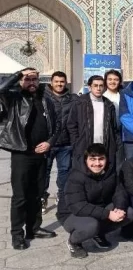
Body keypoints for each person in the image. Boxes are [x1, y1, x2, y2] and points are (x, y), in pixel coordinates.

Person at [0, 68, 58, 249]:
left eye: (34, 79)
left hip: (40, 154)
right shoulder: (14, 98)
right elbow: (1, 89)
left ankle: (34, 228)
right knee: (20, 196)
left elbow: (57, 126)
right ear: (20, 81)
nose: (31, 82)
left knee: (37, 194)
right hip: (21, 154)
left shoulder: (46, 100)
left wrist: (49, 142)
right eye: (27, 79)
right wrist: (20, 73)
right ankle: (17, 234)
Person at [57, 143, 133, 258]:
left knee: (128, 213)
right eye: (92, 159)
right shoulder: (76, 176)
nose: (97, 163)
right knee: (91, 226)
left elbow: (119, 192)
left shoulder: (110, 172)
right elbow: (78, 206)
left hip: (97, 208)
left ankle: (98, 233)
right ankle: (74, 241)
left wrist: (119, 207)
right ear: (86, 160)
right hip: (71, 213)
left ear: (106, 159)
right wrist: (108, 214)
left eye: (101, 159)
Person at [67, 76, 121, 172]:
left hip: (104, 146)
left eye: (101, 86)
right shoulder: (79, 103)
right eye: (95, 85)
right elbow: (72, 124)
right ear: (89, 87)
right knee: (83, 173)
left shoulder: (109, 104)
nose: (98, 88)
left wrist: (115, 144)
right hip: (84, 146)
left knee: (103, 173)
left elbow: (113, 127)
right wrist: (76, 143)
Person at [42, 71, 76, 214]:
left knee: (64, 171)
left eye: (62, 81)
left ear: (66, 82)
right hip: (47, 143)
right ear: (51, 82)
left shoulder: (72, 99)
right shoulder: (42, 97)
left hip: (65, 143)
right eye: (56, 81)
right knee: (44, 171)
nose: (59, 84)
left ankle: (61, 195)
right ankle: (42, 197)